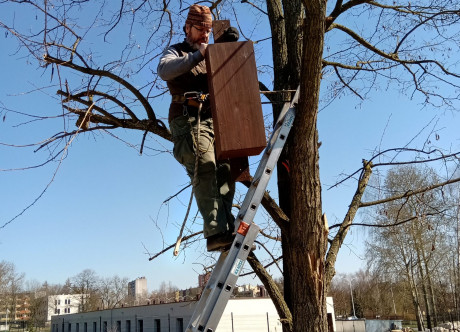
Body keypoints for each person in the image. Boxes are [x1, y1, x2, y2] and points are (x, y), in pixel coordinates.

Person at [157, 4, 235, 251]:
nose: (204, 34)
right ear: (187, 28)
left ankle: (226, 228)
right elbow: (164, 70)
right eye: (199, 29)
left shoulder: (211, 53)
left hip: (214, 120)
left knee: (224, 171)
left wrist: (228, 49)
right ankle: (215, 232)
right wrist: (197, 55)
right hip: (188, 120)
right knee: (205, 167)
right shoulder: (176, 51)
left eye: (208, 30)